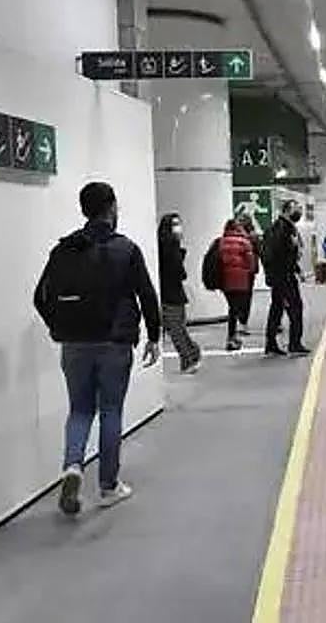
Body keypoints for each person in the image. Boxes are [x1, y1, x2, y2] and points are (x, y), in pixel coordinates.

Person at [33, 181, 160, 516]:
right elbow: (147, 295)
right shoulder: (125, 249)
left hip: (73, 344)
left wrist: (58, 327)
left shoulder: (63, 250)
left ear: (83, 209)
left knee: (79, 409)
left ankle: (73, 465)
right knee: (110, 411)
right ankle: (108, 486)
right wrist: (154, 336)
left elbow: (40, 297)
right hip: (114, 342)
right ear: (112, 207)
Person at [263, 200, 310, 356]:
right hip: (284, 277)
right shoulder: (282, 230)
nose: (299, 213)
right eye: (296, 209)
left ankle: (271, 344)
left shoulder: (282, 228)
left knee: (276, 308)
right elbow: (280, 255)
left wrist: (297, 269)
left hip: (282, 275)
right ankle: (294, 344)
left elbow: (286, 254)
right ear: (287, 210)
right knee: (295, 308)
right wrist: (287, 272)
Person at [157, 213, 201, 373]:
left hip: (169, 293)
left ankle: (190, 356)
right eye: (175, 224)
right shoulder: (171, 246)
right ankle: (190, 355)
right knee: (177, 328)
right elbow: (180, 273)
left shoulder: (165, 245)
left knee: (176, 328)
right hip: (172, 293)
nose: (178, 227)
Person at [218, 219, 256, 350]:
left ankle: (232, 336)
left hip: (225, 279)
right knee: (236, 308)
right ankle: (232, 338)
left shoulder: (220, 242)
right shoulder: (245, 242)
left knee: (232, 308)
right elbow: (251, 263)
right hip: (241, 280)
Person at [236, 214, 261, 335]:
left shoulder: (235, 236)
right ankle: (242, 323)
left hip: (239, 270)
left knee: (239, 296)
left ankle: (241, 322)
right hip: (248, 270)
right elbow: (260, 252)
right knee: (246, 296)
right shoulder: (253, 237)